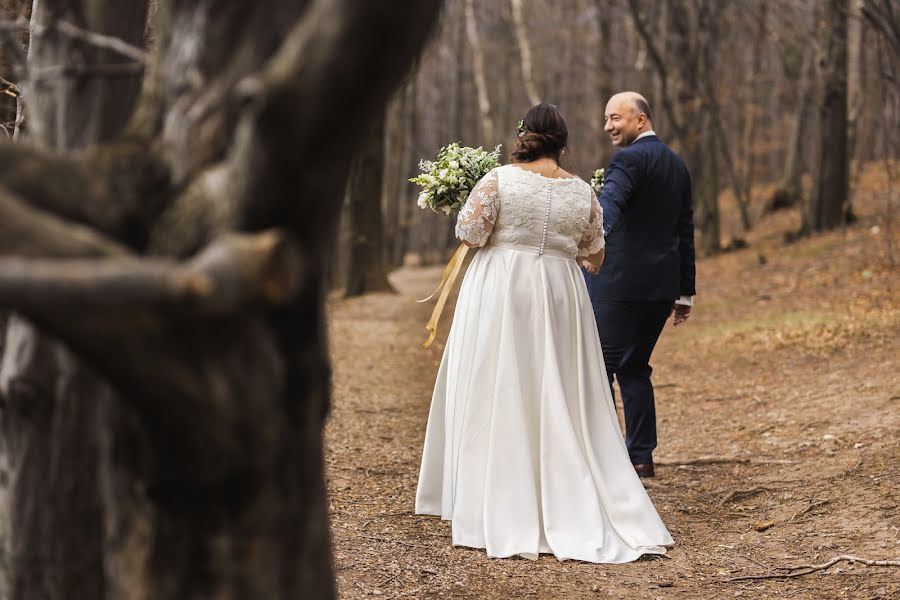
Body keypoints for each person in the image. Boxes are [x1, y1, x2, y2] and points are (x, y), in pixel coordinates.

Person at [415, 103, 673, 563]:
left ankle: (493, 495)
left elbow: (470, 233)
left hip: (502, 288)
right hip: (560, 294)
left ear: (523, 136)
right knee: (558, 387)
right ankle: (570, 485)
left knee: (498, 381)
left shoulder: (497, 180)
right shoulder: (582, 193)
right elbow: (595, 254)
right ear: (563, 141)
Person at [583, 92, 696, 478]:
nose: (608, 126)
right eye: (606, 119)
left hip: (620, 285)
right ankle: (641, 458)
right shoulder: (676, 164)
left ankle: (601, 460)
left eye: (616, 118)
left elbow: (608, 207)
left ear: (641, 120)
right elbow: (685, 231)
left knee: (599, 368)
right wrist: (684, 292)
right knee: (634, 368)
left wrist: (590, 248)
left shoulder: (629, 159)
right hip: (660, 289)